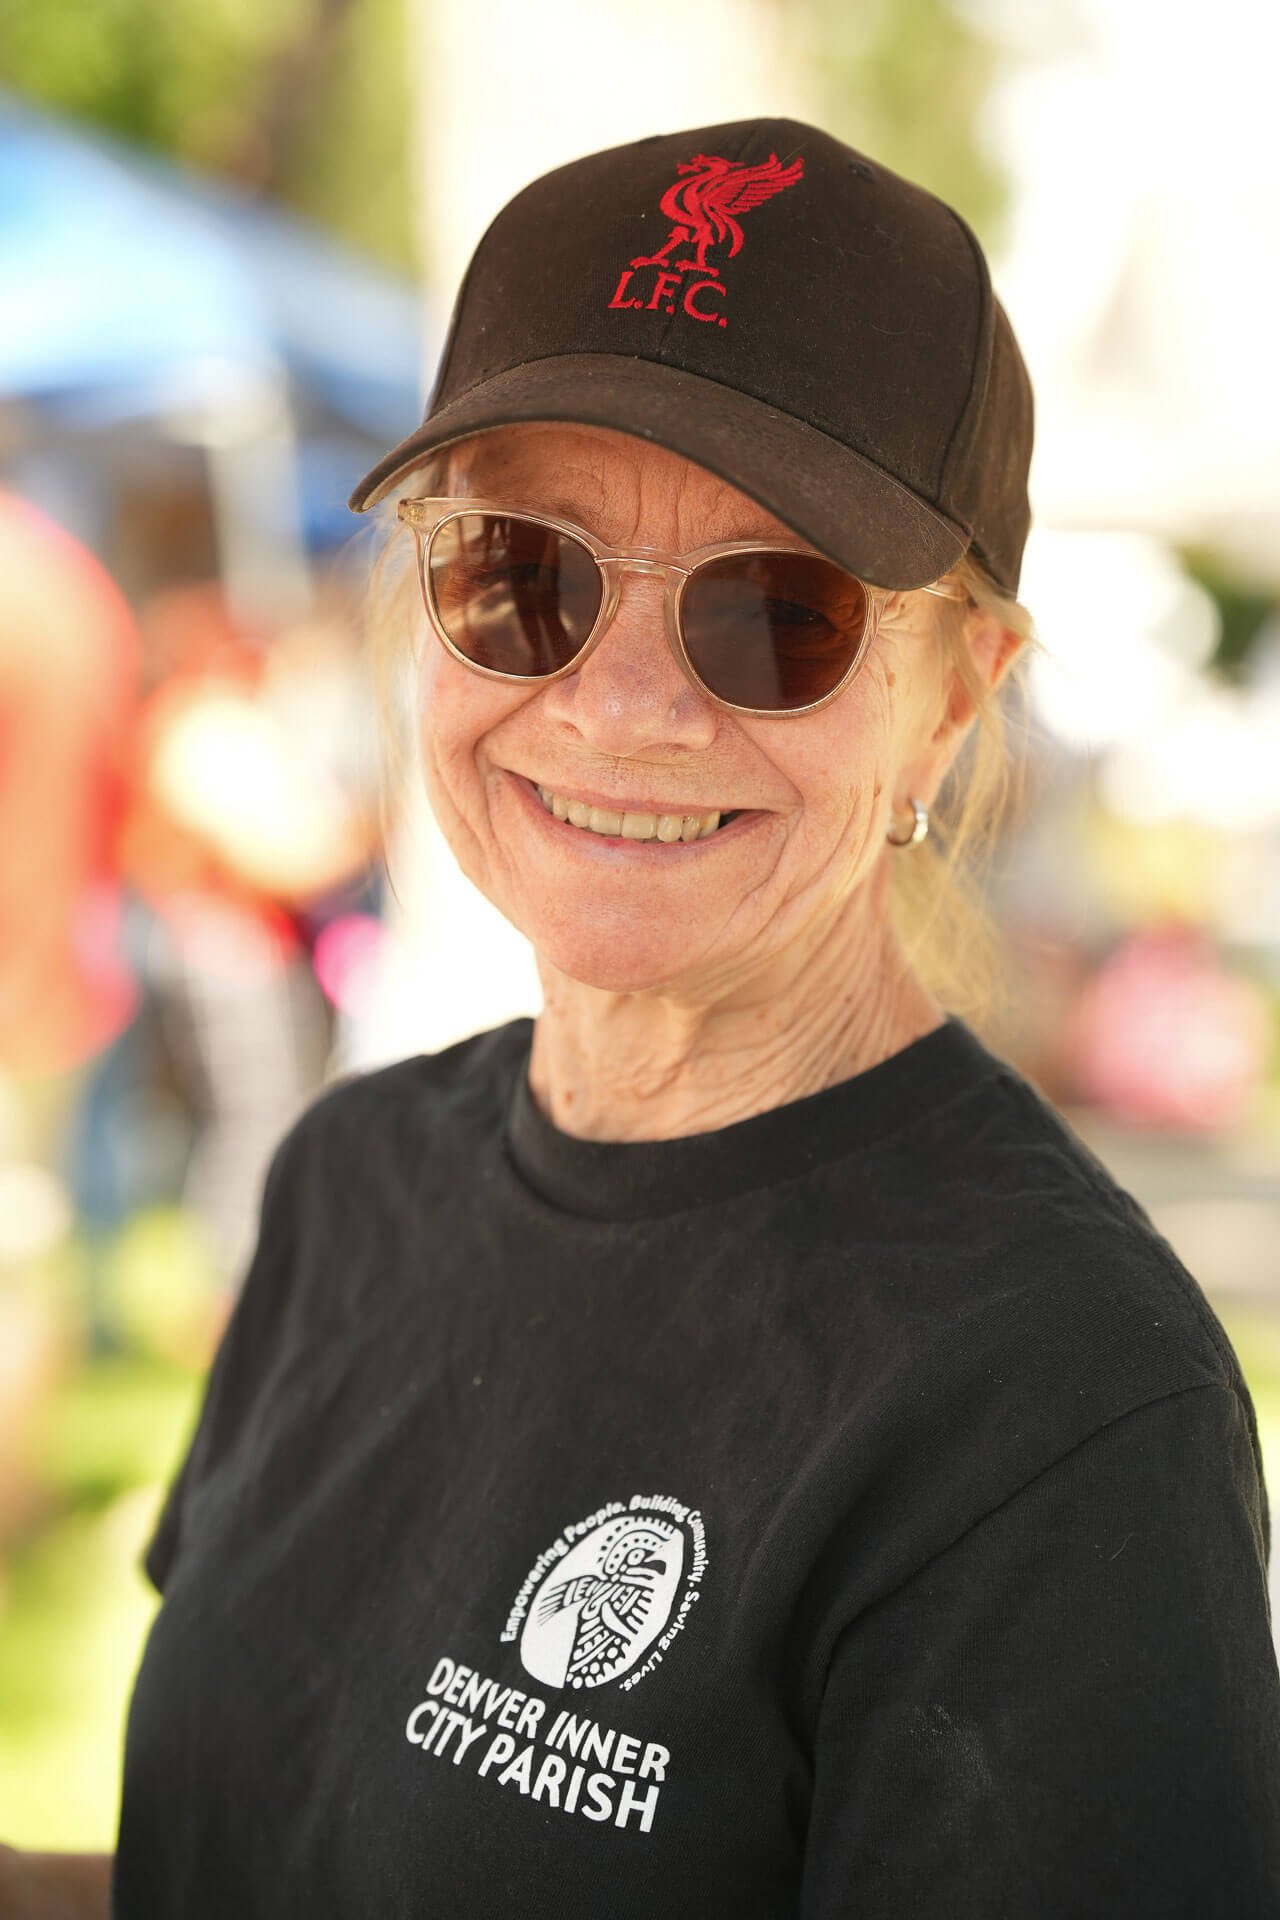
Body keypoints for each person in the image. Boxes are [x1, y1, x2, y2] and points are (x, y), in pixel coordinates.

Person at [8, 115, 1277, 1917]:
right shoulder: (349, 1178)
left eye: (778, 613)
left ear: (951, 699)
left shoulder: (1057, 1403)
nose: (619, 710)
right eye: (521, 571)